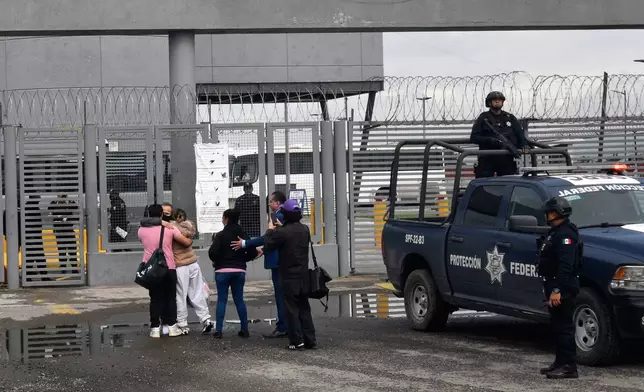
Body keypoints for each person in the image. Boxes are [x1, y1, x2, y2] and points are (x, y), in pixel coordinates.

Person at [140, 208, 214, 335]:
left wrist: (163, 224)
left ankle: (182, 324)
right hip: (193, 262)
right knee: (197, 293)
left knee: (180, 296)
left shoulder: (168, 228)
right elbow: (188, 241)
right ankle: (205, 319)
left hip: (180, 265)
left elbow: (184, 242)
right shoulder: (186, 226)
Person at [231, 191, 289, 338]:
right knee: (284, 295)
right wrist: (264, 249)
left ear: (277, 203)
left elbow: (268, 237)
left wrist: (244, 243)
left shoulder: (278, 217)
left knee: (281, 295)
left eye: (271, 201)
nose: (269, 204)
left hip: (279, 262)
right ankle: (285, 325)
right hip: (284, 261)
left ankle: (283, 326)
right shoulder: (285, 216)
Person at [263, 199, 316, 350]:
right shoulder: (305, 229)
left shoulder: (282, 232)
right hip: (304, 275)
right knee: (304, 308)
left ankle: (296, 341)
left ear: (285, 214)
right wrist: (281, 228)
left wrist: (270, 229)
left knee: (291, 309)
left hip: (289, 276)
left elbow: (268, 244)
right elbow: (291, 235)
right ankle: (310, 340)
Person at [537, 196, 581, 379]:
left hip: (562, 287)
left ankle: (569, 366)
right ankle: (560, 362)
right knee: (557, 325)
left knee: (564, 327)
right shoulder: (556, 232)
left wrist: (557, 291)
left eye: (548, 213)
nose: (546, 216)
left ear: (554, 213)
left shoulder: (565, 235)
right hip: (554, 284)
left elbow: (565, 266)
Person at [138, 204, 193, 338]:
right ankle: (172, 328)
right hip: (169, 267)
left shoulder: (141, 230)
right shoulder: (169, 228)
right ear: (162, 214)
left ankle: (155, 328)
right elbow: (186, 242)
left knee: (155, 299)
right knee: (170, 298)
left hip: (151, 269)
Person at [208, 209, 258, 338]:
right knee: (239, 299)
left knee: (222, 300)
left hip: (222, 271)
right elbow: (253, 252)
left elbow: (212, 254)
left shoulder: (220, 235)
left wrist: (220, 261)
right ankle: (244, 330)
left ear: (225, 218)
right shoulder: (243, 235)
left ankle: (218, 330)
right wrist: (241, 260)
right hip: (239, 271)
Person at [470, 91, 528, 178]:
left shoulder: (509, 117)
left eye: (500, 100)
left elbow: (519, 133)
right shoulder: (483, 118)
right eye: (495, 100)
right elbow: (474, 138)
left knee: (507, 186)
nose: (497, 101)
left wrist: (524, 145)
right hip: (487, 159)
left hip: (506, 159)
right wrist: (489, 140)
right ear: (489, 102)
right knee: (484, 186)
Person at [48, 194, 79, 273]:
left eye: (64, 196)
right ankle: (63, 267)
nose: (62, 198)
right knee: (62, 251)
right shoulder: (54, 204)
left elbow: (76, 209)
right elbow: (50, 211)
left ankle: (73, 268)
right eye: (61, 196)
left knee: (72, 251)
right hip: (60, 231)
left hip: (69, 230)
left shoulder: (70, 204)